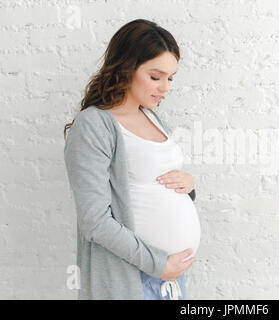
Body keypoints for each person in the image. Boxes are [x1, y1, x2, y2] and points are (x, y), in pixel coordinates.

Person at [63, 19, 201, 300]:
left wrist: (189, 186)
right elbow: (95, 222)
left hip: (169, 281)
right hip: (131, 280)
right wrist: (159, 264)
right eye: (155, 76)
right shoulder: (94, 125)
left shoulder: (151, 116)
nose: (165, 87)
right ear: (127, 68)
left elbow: (151, 184)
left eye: (170, 78)